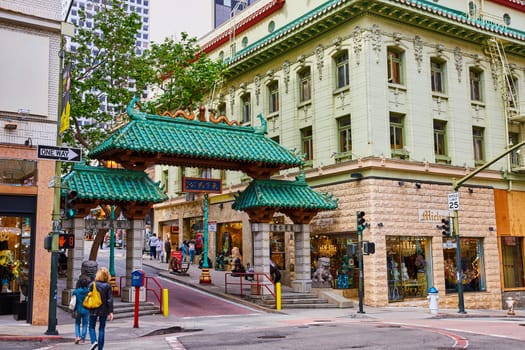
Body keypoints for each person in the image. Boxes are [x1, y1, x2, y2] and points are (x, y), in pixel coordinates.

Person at [87, 267, 114, 350]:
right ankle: (100, 348)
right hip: (104, 309)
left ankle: (94, 341)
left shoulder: (93, 284)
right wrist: (111, 312)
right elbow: (110, 299)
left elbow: (88, 295)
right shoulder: (108, 286)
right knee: (101, 328)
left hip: (94, 308)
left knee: (91, 326)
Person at [72, 277, 90, 344]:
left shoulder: (76, 291)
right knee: (85, 324)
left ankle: (77, 336)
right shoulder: (88, 291)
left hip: (78, 309)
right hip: (86, 309)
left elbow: (73, 300)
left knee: (77, 323)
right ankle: (83, 339)